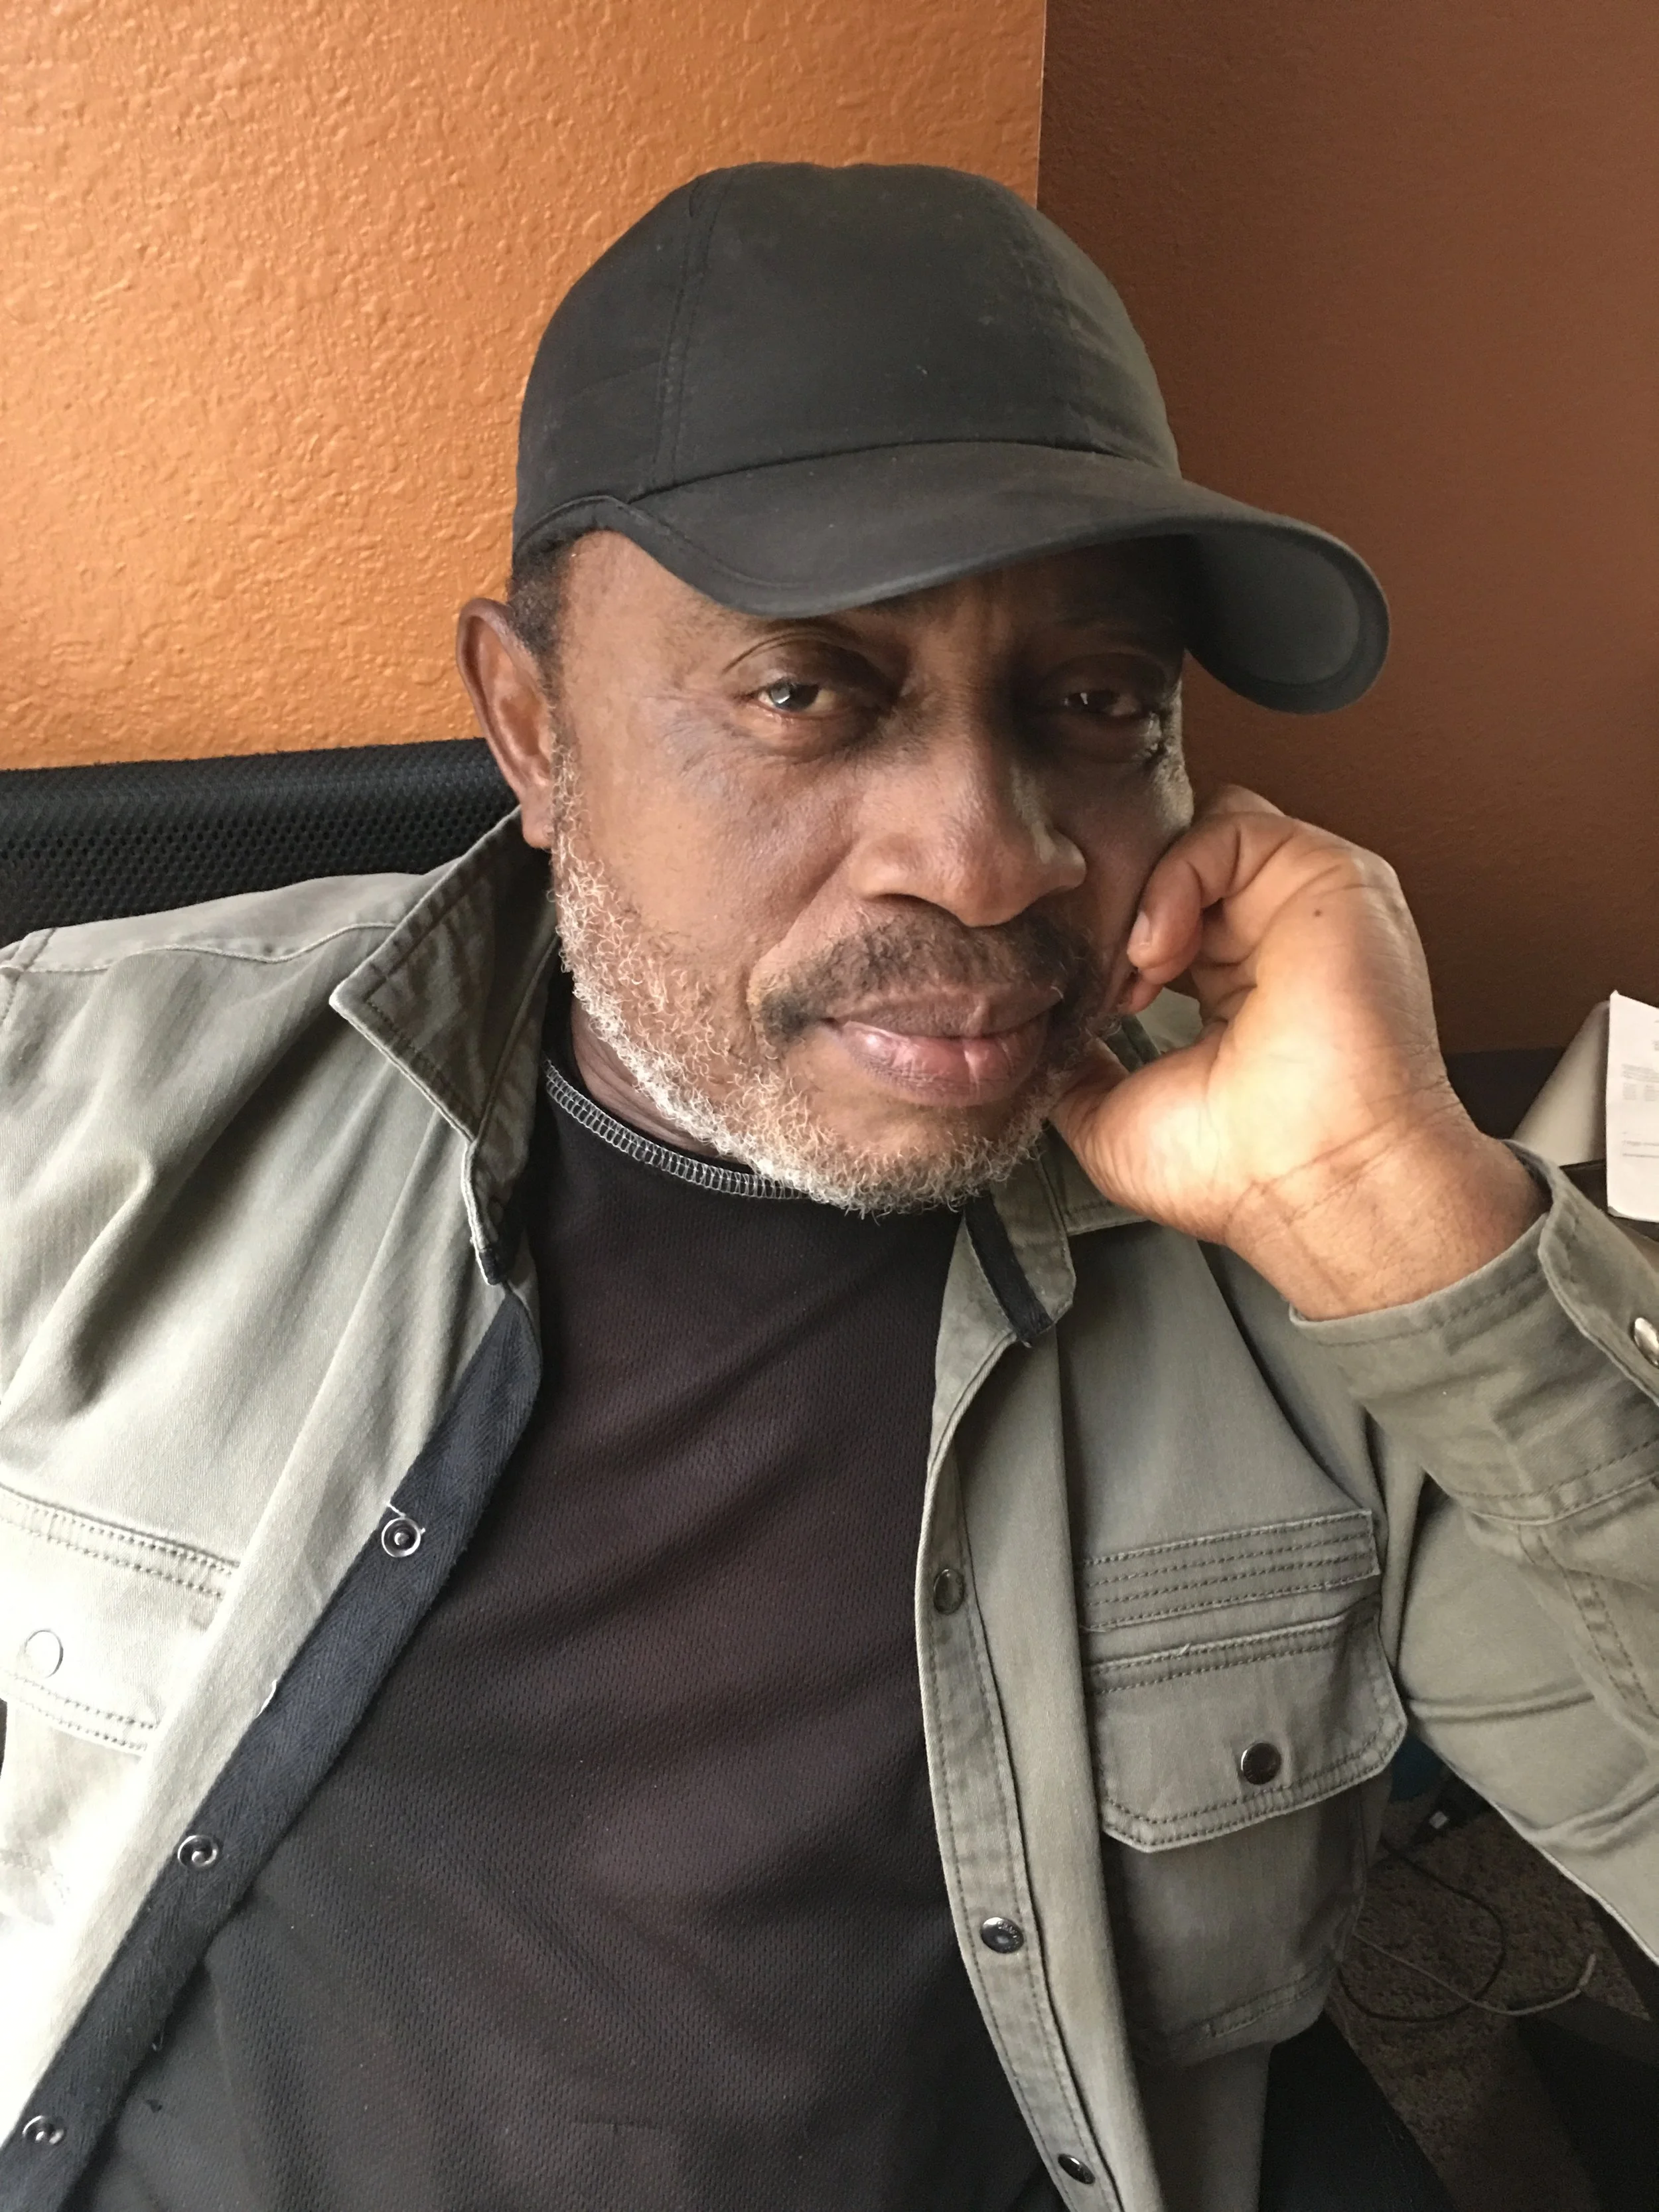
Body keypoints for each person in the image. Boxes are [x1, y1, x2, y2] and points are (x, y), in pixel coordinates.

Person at [1, 162, 1654, 2212]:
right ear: (529, 723)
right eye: (805, 691)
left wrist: (1409, 1222)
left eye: (1094, 702)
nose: (987, 860)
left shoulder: (1299, 1272)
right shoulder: (65, 1101)